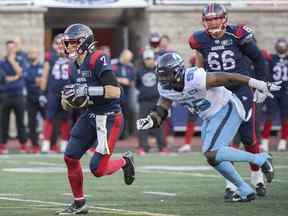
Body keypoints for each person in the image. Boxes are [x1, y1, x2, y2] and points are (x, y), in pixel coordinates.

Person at [137, 52, 277, 202]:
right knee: (212, 158)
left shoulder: (195, 77)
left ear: (178, 71)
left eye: (167, 75)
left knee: (212, 152)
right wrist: (151, 120)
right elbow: (162, 109)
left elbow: (228, 77)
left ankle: (260, 159)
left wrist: (258, 84)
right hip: (209, 116)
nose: (164, 79)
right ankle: (244, 189)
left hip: (227, 107)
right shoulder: (165, 87)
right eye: (161, 75)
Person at [188, 3, 269, 198]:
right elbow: (200, 69)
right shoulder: (198, 39)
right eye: (209, 19)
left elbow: (259, 59)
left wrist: (262, 84)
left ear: (225, 18)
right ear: (203, 21)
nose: (213, 22)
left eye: (216, 18)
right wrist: (196, 94)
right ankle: (231, 184)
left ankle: (257, 176)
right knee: (222, 140)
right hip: (218, 92)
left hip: (241, 89)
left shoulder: (238, 34)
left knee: (248, 136)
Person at [56, 23, 135, 215]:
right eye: (68, 43)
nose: (69, 47)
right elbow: (77, 101)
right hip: (90, 115)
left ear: (85, 42)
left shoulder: (98, 58)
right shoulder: (72, 66)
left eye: (73, 43)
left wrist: (86, 90)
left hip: (108, 118)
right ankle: (79, 203)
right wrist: (68, 100)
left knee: (97, 169)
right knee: (70, 156)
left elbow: (116, 91)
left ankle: (125, 162)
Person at [40, 34, 71, 153]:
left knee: (65, 118)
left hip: (68, 91)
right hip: (53, 91)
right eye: (59, 43)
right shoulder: (51, 56)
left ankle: (64, 143)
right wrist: (42, 92)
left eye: (63, 43)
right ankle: (46, 143)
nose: (61, 46)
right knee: (49, 117)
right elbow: (45, 74)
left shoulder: (72, 57)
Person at [136, 48, 168, 155]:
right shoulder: (139, 71)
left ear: (154, 59)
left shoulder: (159, 70)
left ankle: (162, 147)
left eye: (150, 58)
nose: (149, 61)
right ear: (144, 60)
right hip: (144, 101)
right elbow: (137, 84)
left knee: (158, 124)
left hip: (157, 101)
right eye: (147, 59)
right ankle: (143, 147)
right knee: (143, 124)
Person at [0, 40, 28, 154]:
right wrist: (15, 77)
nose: (11, 49)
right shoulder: (2, 62)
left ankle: (23, 145)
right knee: (3, 122)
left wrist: (12, 61)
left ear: (16, 48)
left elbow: (21, 73)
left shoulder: (21, 59)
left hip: (19, 95)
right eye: (9, 47)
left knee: (20, 121)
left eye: (12, 47)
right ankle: (2, 145)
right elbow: (4, 78)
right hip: (5, 95)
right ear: (6, 49)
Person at [261, 38, 288, 152]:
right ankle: (265, 141)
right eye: (280, 45)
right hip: (273, 90)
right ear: (276, 47)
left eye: (283, 45)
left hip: (286, 91)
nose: (281, 47)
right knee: (270, 116)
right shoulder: (271, 57)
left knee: (285, 117)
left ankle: (283, 141)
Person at [24, 47, 46, 153]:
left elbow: (42, 82)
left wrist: (39, 83)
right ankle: (35, 145)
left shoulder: (42, 67)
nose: (31, 54)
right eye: (30, 53)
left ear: (37, 54)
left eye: (33, 52)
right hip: (30, 98)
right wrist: (37, 82)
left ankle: (50, 143)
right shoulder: (27, 67)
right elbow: (29, 82)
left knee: (47, 120)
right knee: (31, 123)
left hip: (41, 97)